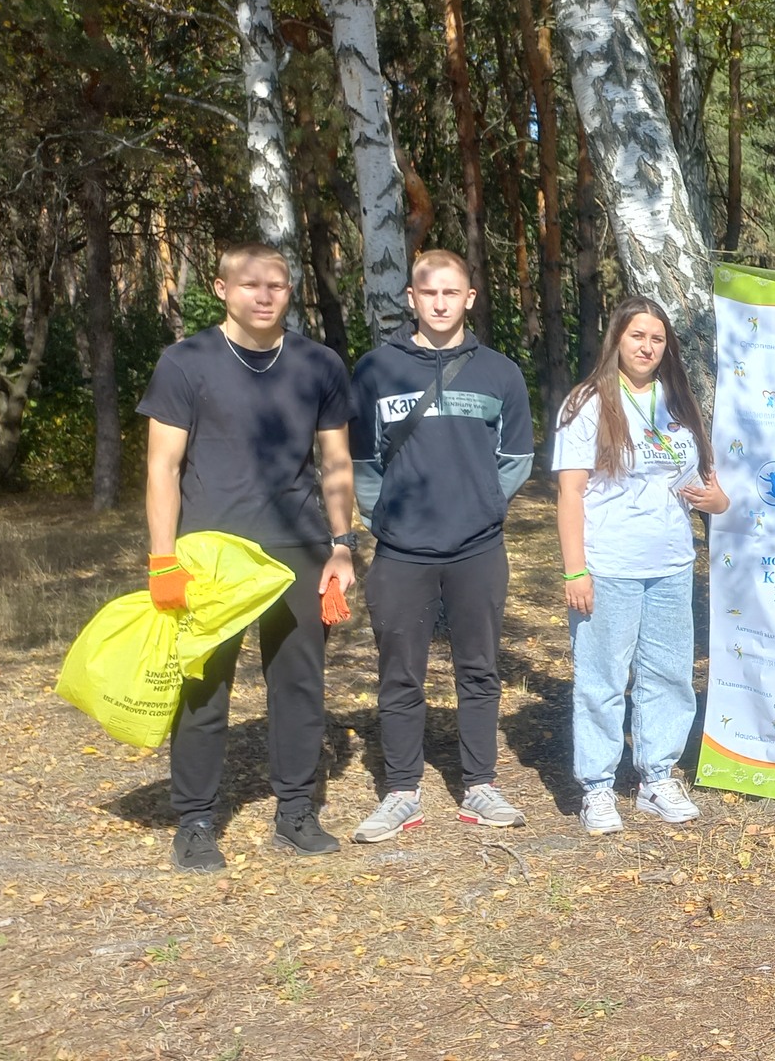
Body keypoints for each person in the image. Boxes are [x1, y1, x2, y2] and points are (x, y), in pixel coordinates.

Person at [138, 242, 356, 871]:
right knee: (204, 691)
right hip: (210, 555)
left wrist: (342, 546)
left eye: (278, 285)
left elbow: (336, 462)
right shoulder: (186, 362)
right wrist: (163, 560)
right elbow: (163, 467)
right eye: (251, 285)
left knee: (299, 687)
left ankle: (295, 813)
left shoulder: (319, 364)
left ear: (291, 292)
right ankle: (198, 821)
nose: (265, 296)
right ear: (222, 288)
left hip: (299, 549)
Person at [347, 250, 535, 843]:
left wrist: (480, 508)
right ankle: (401, 791)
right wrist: (387, 518)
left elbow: (518, 458)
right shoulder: (376, 369)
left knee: (478, 670)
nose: (439, 302)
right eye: (429, 292)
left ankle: (479, 785)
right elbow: (360, 459)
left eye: (451, 292)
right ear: (411, 298)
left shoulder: (500, 373)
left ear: (470, 298)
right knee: (400, 675)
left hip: (477, 549)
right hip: (401, 552)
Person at [554, 297, 729, 833]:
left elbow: (712, 490)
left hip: (673, 564)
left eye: (657, 338)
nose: (647, 347)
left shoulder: (678, 403)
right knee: (602, 678)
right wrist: (574, 570)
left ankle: (656, 778)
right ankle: (598, 788)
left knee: (669, 675)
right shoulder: (586, 403)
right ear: (617, 340)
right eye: (637, 336)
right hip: (608, 566)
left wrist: (715, 502)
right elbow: (569, 493)